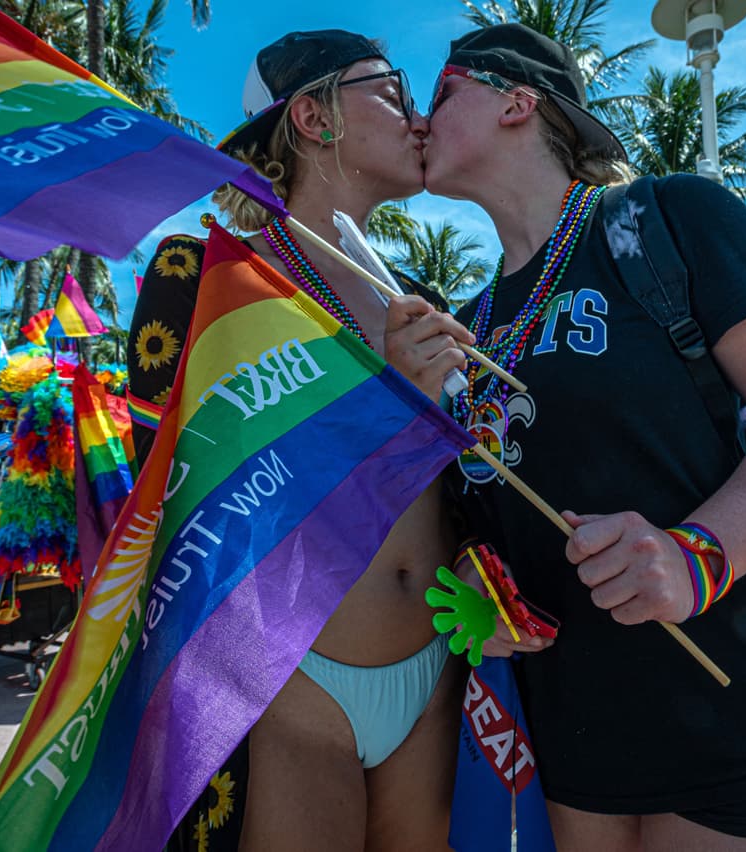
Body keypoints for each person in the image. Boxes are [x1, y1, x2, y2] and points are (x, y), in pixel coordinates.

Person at [420, 24, 746, 851]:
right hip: (569, 748)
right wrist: (483, 582)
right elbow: (495, 503)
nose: (419, 117)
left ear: (518, 102)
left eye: (442, 93)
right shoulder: (468, 324)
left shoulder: (667, 219)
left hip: (736, 729)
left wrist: (697, 556)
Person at [128, 30, 473, 851]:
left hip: (435, 668)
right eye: (392, 90)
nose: (419, 115)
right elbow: (179, 502)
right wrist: (391, 406)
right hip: (291, 680)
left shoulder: (416, 294)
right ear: (315, 117)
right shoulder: (205, 279)